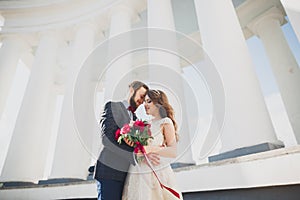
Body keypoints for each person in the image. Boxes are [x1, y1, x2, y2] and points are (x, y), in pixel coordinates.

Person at [94, 81, 160, 200]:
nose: (142, 100)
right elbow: (107, 139)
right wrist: (134, 155)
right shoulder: (112, 106)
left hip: (129, 175)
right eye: (141, 96)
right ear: (131, 90)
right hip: (110, 172)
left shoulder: (137, 120)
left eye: (145, 99)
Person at [122, 89, 183, 200]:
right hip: (139, 170)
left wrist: (149, 149)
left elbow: (173, 151)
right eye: (144, 101)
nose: (145, 104)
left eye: (149, 101)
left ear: (159, 103)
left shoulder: (165, 122)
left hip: (157, 169)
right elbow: (138, 148)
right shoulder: (145, 124)